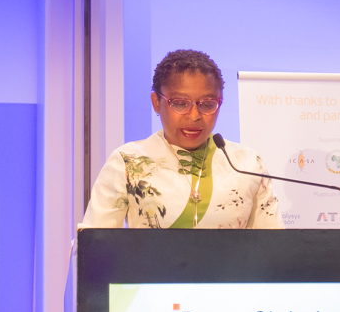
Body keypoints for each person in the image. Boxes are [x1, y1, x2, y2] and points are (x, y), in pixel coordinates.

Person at [81, 49, 282, 229]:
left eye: (207, 104)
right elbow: (95, 243)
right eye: (180, 103)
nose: (194, 116)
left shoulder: (246, 163)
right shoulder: (128, 162)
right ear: (156, 102)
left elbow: (273, 246)